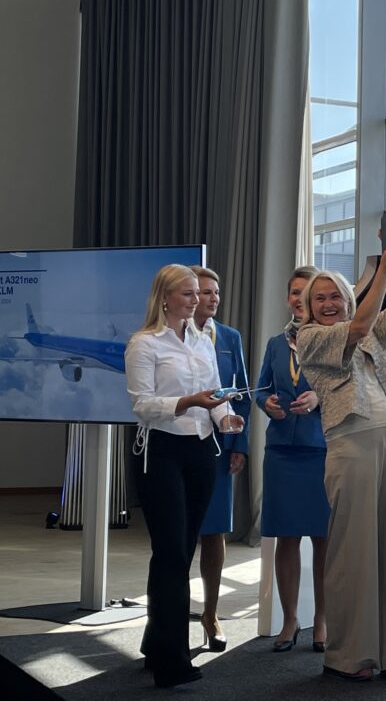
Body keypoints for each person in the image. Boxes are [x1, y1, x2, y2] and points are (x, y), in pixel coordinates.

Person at [296, 242, 386, 682]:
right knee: (353, 549)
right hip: (349, 440)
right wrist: (383, 270)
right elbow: (357, 327)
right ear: (308, 308)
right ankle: (351, 653)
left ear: (347, 298)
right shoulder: (309, 337)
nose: (329, 303)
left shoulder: (368, 326)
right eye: (320, 298)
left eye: (335, 295)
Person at [124, 264, 244, 688]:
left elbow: (217, 394)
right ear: (165, 297)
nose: (198, 300)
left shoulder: (203, 341)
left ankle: (156, 646)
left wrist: (226, 418)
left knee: (180, 552)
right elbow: (142, 405)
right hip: (161, 451)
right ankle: (172, 661)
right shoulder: (144, 343)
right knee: (172, 553)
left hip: (201, 451)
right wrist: (189, 401)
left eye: (199, 293)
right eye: (189, 293)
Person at [253, 265, 331, 653]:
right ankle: (289, 620)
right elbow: (260, 388)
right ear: (288, 298)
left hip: (321, 450)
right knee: (286, 537)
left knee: (324, 539)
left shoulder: (332, 339)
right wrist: (265, 402)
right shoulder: (275, 344)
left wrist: (320, 398)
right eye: (295, 292)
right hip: (282, 450)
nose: (300, 299)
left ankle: (322, 620)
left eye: (307, 293)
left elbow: (349, 387)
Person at [190, 265, 250, 653]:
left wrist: (240, 444)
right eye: (205, 292)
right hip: (180, 444)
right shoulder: (171, 337)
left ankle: (210, 615)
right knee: (179, 536)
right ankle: (168, 618)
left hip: (220, 447)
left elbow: (240, 393)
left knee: (215, 533)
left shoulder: (229, 337)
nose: (213, 298)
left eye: (216, 291)